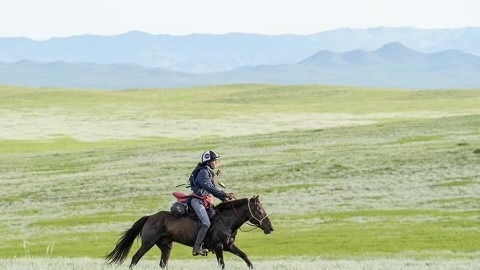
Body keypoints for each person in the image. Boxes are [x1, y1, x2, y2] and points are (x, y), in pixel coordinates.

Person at [189, 150, 234, 256]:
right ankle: (197, 248)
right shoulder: (203, 172)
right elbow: (208, 187)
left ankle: (208, 244)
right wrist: (224, 194)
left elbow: (212, 189)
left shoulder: (208, 172)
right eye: (214, 161)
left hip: (204, 201)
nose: (216, 163)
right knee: (206, 223)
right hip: (197, 201)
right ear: (208, 162)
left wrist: (223, 198)